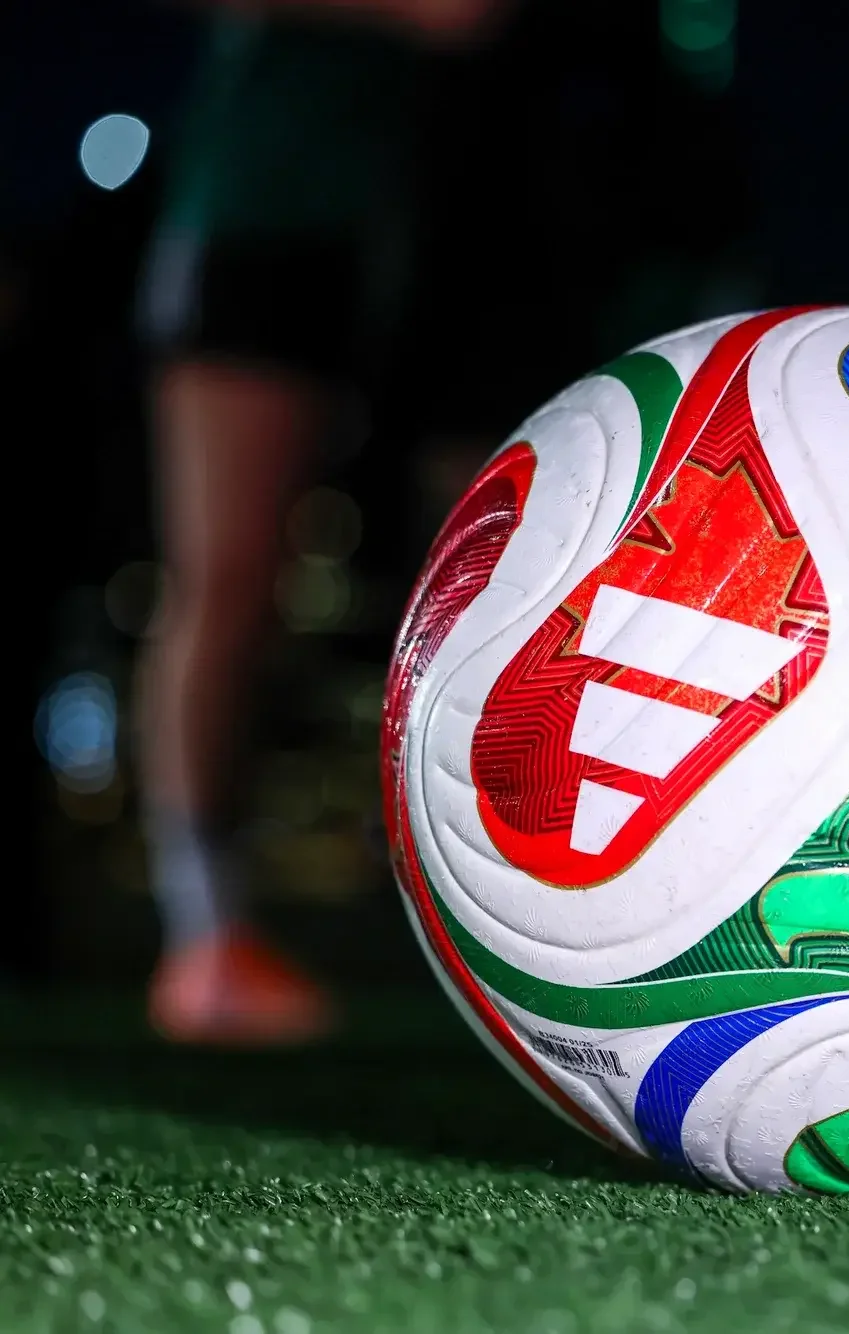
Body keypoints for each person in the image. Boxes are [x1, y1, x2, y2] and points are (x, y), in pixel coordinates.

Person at [135, 0, 753, 1044]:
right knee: (230, 570)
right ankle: (205, 933)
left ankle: (521, 921)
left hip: (487, 203)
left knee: (518, 573)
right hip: (274, 201)